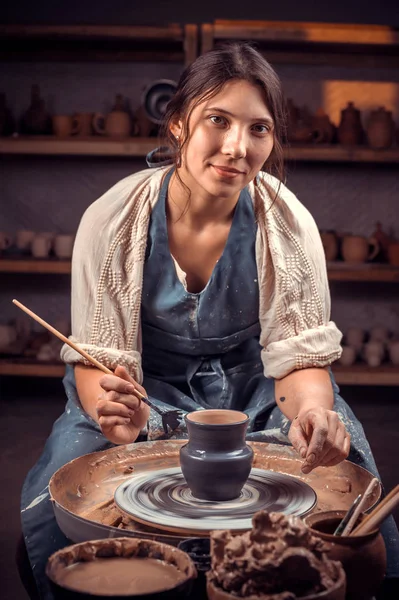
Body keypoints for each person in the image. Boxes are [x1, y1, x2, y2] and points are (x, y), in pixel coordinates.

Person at [19, 43, 399, 599]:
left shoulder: (288, 224)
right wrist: (115, 415)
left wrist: (315, 412)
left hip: (260, 387)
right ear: (177, 124)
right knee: (66, 496)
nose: (237, 148)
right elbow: (103, 360)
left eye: (259, 129)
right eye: (217, 121)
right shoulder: (113, 218)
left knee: (346, 491)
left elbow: (298, 362)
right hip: (145, 386)